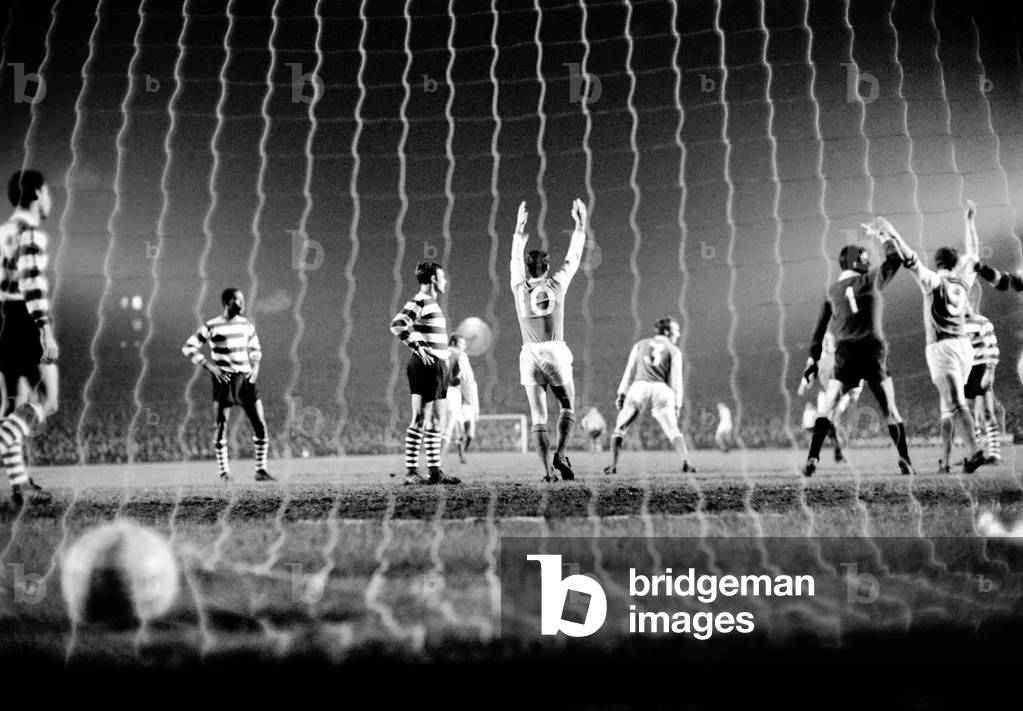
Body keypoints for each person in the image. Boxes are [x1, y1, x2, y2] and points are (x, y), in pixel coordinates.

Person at [872, 209, 986, 473]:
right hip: (964, 347)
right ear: (956, 264)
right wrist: (969, 221)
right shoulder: (965, 281)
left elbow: (910, 259)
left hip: (942, 347)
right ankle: (946, 463)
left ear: (938, 264)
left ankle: (976, 450)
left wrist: (890, 233)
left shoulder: (934, 281)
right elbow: (975, 253)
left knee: (955, 403)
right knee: (950, 406)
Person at [800, 225, 915, 477]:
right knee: (889, 410)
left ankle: (813, 457)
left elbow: (818, 333)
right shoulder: (871, 278)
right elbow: (896, 259)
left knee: (827, 407)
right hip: (873, 349)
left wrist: (811, 363)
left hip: (845, 351)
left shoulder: (831, 291)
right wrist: (883, 235)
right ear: (859, 262)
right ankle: (905, 459)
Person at [511, 199, 587, 482]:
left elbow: (512, 262)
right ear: (547, 266)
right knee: (567, 405)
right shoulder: (557, 283)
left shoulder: (518, 287)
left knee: (538, 417)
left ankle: (546, 473)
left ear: (526, 268)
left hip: (529, 354)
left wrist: (518, 233)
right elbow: (574, 259)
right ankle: (561, 453)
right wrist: (580, 225)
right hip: (554, 350)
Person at [0, 169, 59, 505]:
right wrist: (45, 329)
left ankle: (20, 486)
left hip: (2, 318)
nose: (50, 199)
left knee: (13, 406)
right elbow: (32, 284)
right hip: (22, 319)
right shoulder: (30, 233)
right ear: (36, 192)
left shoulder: (3, 231)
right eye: (48, 192)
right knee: (47, 400)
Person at [182, 288, 274, 482]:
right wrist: (209, 366)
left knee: (259, 422)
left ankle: (260, 470)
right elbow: (188, 347)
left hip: (245, 379)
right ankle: (224, 472)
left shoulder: (246, 325)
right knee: (221, 425)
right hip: (224, 380)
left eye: (242, 300)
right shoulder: (212, 326)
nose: (241, 303)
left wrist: (255, 368)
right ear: (226, 303)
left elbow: (256, 349)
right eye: (236, 300)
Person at [390, 261, 460, 485]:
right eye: (442, 277)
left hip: (438, 366)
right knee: (420, 419)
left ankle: (435, 471)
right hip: (425, 366)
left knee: (437, 421)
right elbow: (398, 323)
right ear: (433, 279)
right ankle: (411, 472)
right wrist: (418, 346)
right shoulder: (420, 300)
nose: (445, 281)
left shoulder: (431, 303)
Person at [603, 317, 695, 474]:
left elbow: (630, 371)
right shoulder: (674, 351)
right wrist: (677, 405)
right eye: (676, 331)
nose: (678, 335)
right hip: (661, 389)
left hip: (639, 386)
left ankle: (612, 465)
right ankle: (687, 462)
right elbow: (676, 381)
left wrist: (622, 393)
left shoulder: (640, 344)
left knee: (620, 428)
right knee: (673, 430)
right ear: (667, 331)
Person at [797, 330, 864, 462]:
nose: (825, 343)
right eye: (824, 340)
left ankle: (819, 455)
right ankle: (837, 451)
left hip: (840, 393)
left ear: (832, 342)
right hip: (824, 394)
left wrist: (856, 391)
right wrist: (804, 383)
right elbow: (810, 376)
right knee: (827, 423)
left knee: (831, 420)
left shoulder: (838, 355)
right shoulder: (819, 359)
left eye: (828, 340)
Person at [963, 308, 1001, 467]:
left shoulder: (981, 322)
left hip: (980, 368)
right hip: (965, 370)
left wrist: (990, 371)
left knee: (986, 411)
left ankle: (994, 454)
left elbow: (992, 346)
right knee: (970, 414)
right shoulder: (954, 324)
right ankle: (977, 452)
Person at [440, 333, 479, 464]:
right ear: (455, 343)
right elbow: (467, 377)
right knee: (448, 430)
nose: (464, 347)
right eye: (462, 344)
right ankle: (436, 465)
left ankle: (417, 465)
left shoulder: (440, 352)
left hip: (436, 393)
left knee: (434, 428)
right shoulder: (461, 355)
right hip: (452, 391)